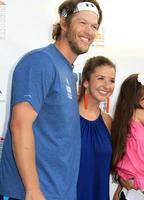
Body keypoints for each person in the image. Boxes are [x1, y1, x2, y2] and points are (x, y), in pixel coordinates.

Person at [0, 0, 102, 199]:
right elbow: (20, 125)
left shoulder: (66, 71)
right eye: (82, 22)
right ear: (64, 23)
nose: (89, 31)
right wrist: (33, 189)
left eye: (94, 26)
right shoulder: (40, 62)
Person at [77, 56, 115, 200]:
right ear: (86, 81)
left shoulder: (107, 121)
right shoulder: (67, 116)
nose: (107, 85)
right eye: (100, 78)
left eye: (112, 80)